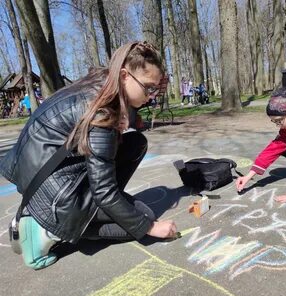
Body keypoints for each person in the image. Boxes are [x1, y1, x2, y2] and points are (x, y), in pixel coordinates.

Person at [0, 41, 177, 270]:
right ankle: (43, 229)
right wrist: (149, 227)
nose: (151, 96)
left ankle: (44, 216)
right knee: (145, 217)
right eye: (148, 87)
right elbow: (104, 191)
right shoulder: (103, 111)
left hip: (44, 175)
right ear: (124, 76)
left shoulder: (100, 84)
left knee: (135, 144)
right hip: (54, 192)